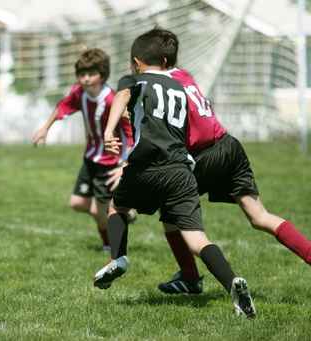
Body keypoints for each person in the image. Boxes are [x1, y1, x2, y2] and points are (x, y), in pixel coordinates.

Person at [133, 28, 311, 295]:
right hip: (229, 145)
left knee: (170, 212)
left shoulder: (155, 89)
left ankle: (191, 279)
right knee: (259, 215)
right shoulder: (184, 74)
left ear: (139, 64)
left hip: (205, 155)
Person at [93, 29, 256, 318]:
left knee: (117, 207)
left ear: (136, 62)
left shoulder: (135, 80)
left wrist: (108, 131)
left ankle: (118, 259)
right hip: (181, 170)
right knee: (196, 239)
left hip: (147, 167)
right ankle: (233, 282)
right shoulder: (180, 88)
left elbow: (122, 96)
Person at [32, 48, 133, 251]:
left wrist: (126, 160)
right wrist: (45, 129)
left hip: (110, 162)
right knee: (77, 203)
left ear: (102, 75)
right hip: (90, 157)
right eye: (82, 74)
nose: (86, 79)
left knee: (98, 210)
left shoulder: (113, 100)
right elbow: (62, 107)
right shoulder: (79, 93)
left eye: (91, 74)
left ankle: (108, 245)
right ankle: (122, 211)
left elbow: (130, 130)